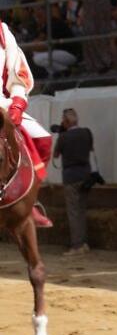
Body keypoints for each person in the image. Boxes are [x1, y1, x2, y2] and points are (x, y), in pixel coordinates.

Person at [0, 19, 54, 227]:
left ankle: (29, 201)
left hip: (1, 105)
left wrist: (17, 104)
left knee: (42, 138)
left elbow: (18, 74)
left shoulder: (4, 34)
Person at [52, 109, 94, 255]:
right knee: (81, 211)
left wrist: (61, 135)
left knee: (73, 212)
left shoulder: (63, 137)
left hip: (71, 177)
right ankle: (84, 243)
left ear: (66, 122)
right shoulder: (87, 132)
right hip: (85, 175)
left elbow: (55, 155)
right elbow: (90, 149)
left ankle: (77, 245)